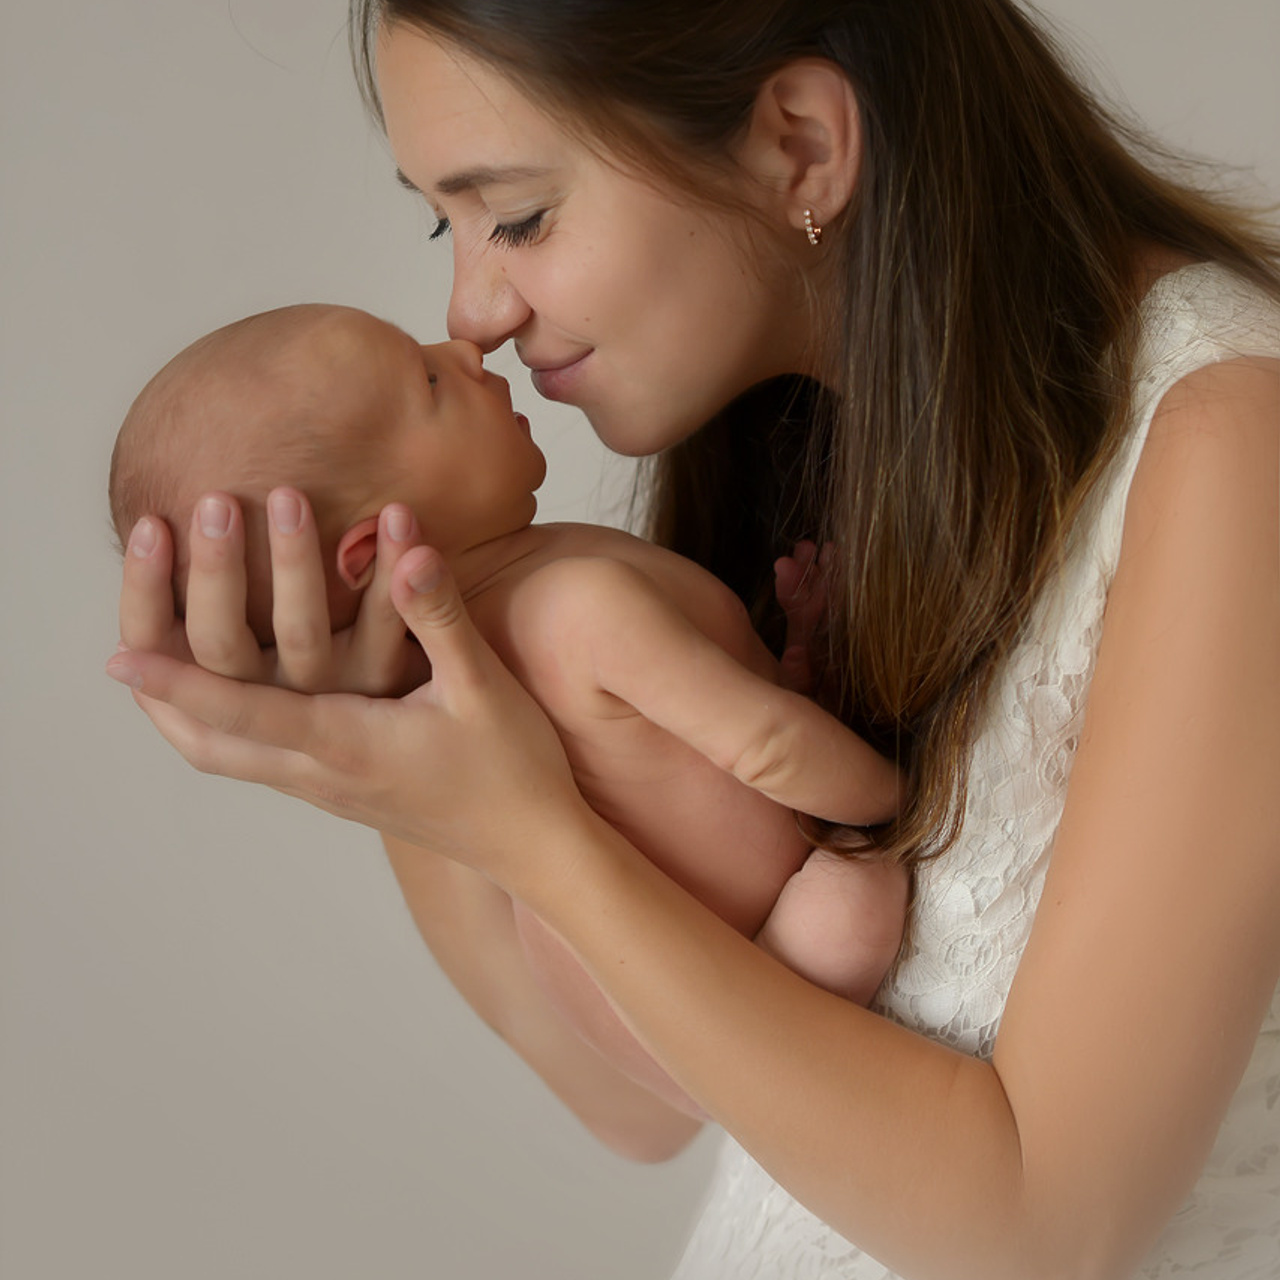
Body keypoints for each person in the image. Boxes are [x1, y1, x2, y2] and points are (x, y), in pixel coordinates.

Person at [106, 1, 1280, 1276]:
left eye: (520, 215)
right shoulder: (814, 442)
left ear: (796, 147)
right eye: (443, 221)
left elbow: (1041, 1231)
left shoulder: (1228, 445)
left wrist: (532, 835)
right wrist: (397, 731)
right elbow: (635, 1101)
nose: (474, 309)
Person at [107, 301, 907, 1128]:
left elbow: (717, 743)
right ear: (368, 552)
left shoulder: (528, 604)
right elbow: (768, 748)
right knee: (859, 896)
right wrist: (897, 798)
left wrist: (798, 657)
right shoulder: (572, 605)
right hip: (729, 991)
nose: (465, 348)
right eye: (426, 380)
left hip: (654, 980)